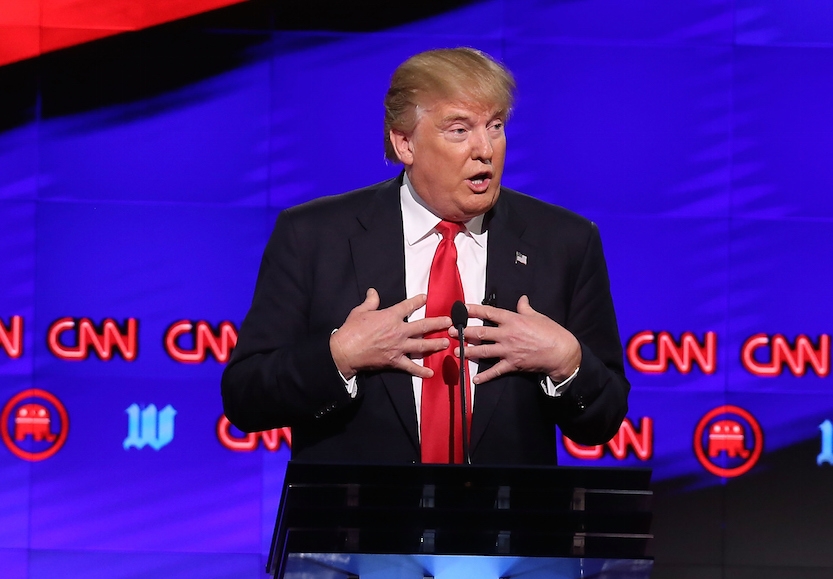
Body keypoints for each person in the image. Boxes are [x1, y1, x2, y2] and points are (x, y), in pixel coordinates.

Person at [221, 47, 629, 465]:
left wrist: (568, 362)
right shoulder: (314, 236)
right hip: (357, 524)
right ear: (405, 143)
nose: (485, 149)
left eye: (495, 126)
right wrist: (339, 357)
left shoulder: (564, 242)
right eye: (459, 130)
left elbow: (604, 420)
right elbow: (245, 397)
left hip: (502, 525)